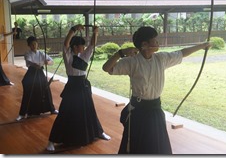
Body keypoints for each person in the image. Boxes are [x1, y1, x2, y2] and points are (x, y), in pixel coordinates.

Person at [102, 26, 212, 154]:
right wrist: (120, 54)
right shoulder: (132, 62)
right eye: (155, 41)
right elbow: (106, 68)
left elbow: (182, 52)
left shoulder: (161, 58)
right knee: (137, 146)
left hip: (155, 109)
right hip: (138, 111)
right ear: (145, 44)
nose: (157, 43)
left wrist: (202, 46)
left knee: (156, 145)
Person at [46, 24, 110, 151]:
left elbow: (92, 45)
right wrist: (73, 30)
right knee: (65, 112)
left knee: (89, 110)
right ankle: (51, 141)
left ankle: (98, 132)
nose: (84, 47)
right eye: (81, 45)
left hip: (83, 85)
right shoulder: (68, 56)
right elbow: (65, 43)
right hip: (72, 86)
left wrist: (95, 33)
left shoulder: (84, 56)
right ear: (75, 46)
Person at [16, 36, 58, 121]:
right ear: (29, 45)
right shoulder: (27, 53)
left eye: (35, 44)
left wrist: (47, 62)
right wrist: (37, 64)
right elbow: (29, 62)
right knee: (28, 92)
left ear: (37, 44)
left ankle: (52, 109)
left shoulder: (41, 53)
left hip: (40, 74)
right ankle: (23, 113)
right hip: (31, 73)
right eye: (32, 44)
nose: (34, 46)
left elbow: (51, 61)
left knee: (46, 90)